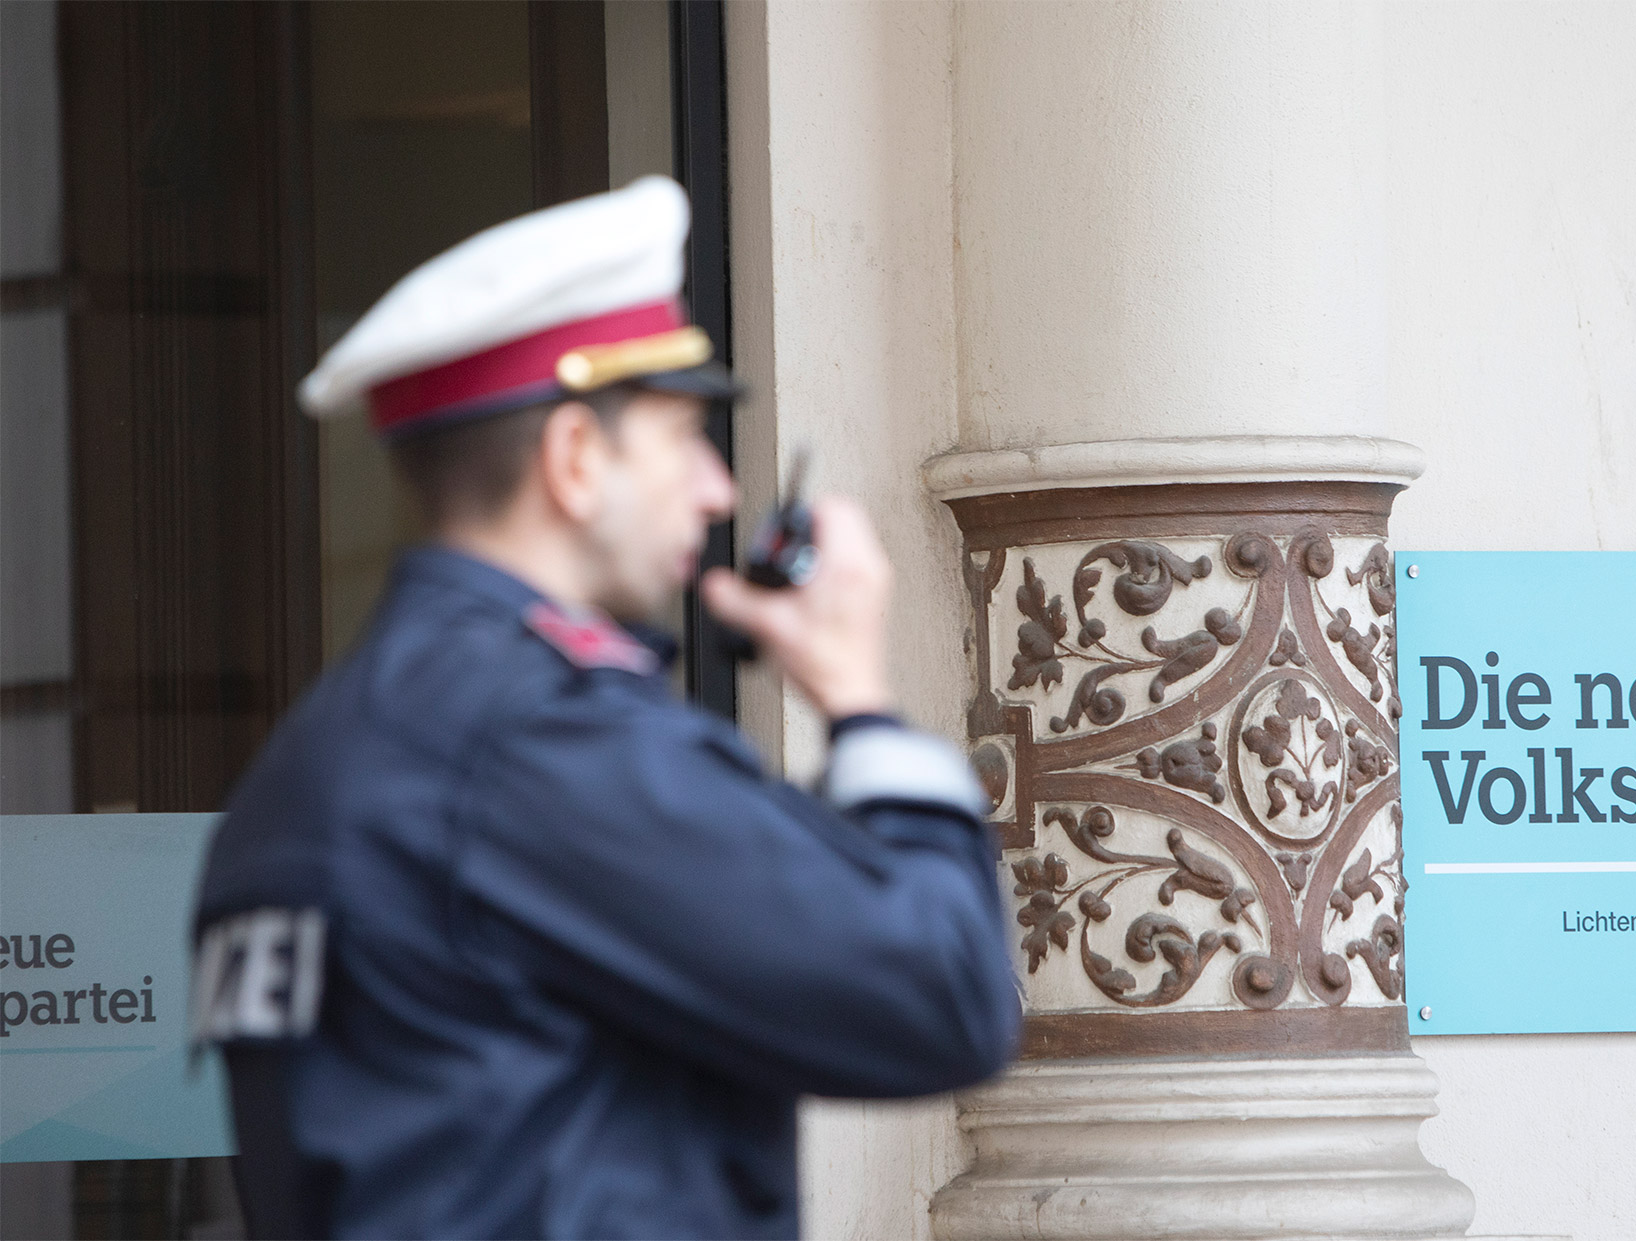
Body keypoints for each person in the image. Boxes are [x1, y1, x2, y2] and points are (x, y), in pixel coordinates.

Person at [190, 177, 1022, 1240]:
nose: (718, 490)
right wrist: (860, 702)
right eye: (684, 438)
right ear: (576, 459)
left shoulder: (323, 749)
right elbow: (941, 995)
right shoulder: (538, 741)